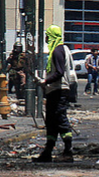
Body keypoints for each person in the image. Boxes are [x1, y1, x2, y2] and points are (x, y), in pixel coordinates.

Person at [33, 25, 77, 163]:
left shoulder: (57, 51)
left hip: (58, 90)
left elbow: (59, 72)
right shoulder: (63, 49)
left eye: (47, 35)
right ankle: (48, 152)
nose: (46, 37)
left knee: (60, 119)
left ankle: (68, 151)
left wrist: (45, 81)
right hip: (56, 90)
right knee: (51, 121)